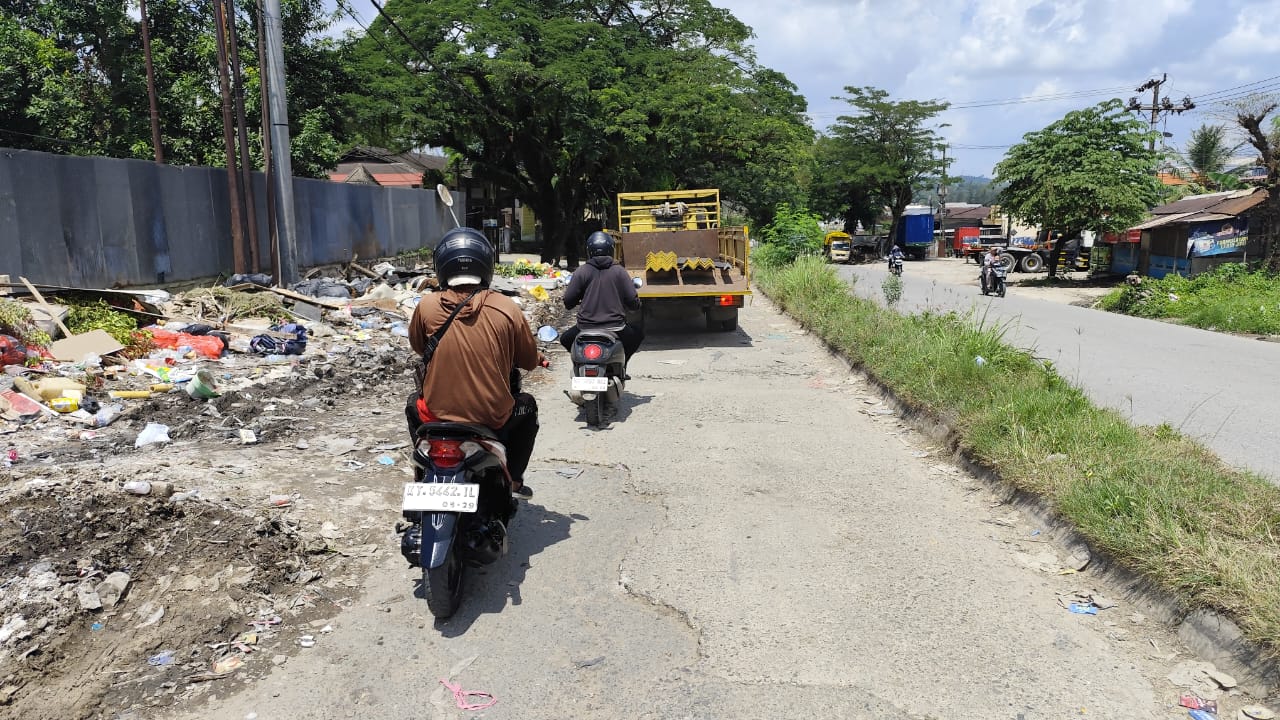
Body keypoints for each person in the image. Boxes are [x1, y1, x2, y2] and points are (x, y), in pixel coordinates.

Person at [407, 227, 547, 497]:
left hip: (436, 413)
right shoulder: (507, 308)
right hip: (492, 417)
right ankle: (514, 481)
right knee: (527, 406)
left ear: (442, 267)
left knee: (413, 403)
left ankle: (423, 468)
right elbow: (528, 361)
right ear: (486, 266)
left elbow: (419, 347)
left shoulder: (426, 306)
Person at [560, 231, 643, 373]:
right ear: (611, 249)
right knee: (638, 335)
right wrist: (634, 305)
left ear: (589, 251)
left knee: (565, 339)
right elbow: (632, 302)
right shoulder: (619, 271)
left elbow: (568, 301)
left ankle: (579, 364)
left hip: (585, 327)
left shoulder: (582, 271)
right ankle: (622, 365)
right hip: (616, 328)